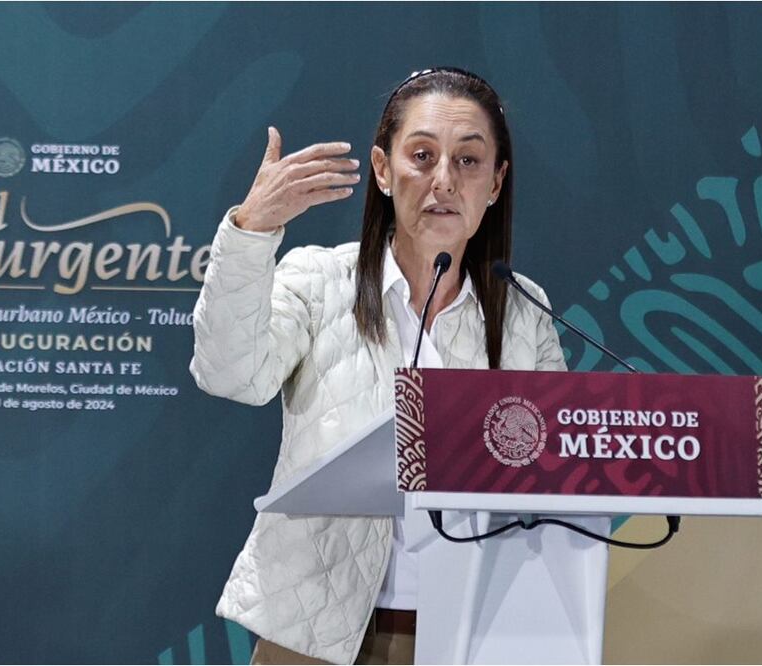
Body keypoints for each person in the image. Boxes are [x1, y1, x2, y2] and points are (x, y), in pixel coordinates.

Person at [190, 68, 566, 665]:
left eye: (468, 162)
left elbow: (557, 474)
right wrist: (251, 232)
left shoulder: (524, 311)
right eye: (422, 155)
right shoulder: (319, 282)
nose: (443, 180)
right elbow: (230, 374)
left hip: (475, 635)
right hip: (316, 638)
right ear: (383, 170)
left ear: (496, 184)